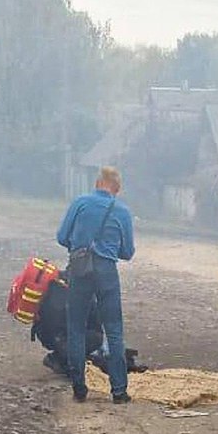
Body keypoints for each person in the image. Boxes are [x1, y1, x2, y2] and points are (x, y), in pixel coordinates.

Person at [57, 166, 135, 403]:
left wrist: (79, 244)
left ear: (97, 182)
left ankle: (79, 388)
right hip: (107, 272)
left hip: (81, 269)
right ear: (117, 188)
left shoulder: (80, 202)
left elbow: (61, 237)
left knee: (76, 328)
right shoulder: (122, 210)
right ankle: (119, 391)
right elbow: (128, 252)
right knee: (114, 330)